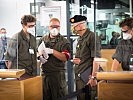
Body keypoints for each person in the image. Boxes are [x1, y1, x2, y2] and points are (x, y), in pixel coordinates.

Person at [37, 18, 71, 100]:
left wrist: (52, 51)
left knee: (59, 96)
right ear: (49, 27)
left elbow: (65, 57)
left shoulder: (64, 41)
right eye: (52, 26)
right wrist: (39, 57)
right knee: (45, 96)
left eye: (57, 26)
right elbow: (37, 52)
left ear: (59, 27)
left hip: (57, 75)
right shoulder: (43, 39)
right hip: (45, 74)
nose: (54, 28)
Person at [70, 15, 101, 100]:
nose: (72, 28)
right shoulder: (80, 38)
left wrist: (93, 77)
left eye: (73, 26)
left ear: (79, 26)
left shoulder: (92, 37)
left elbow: (96, 59)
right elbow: (84, 57)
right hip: (80, 77)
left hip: (87, 78)